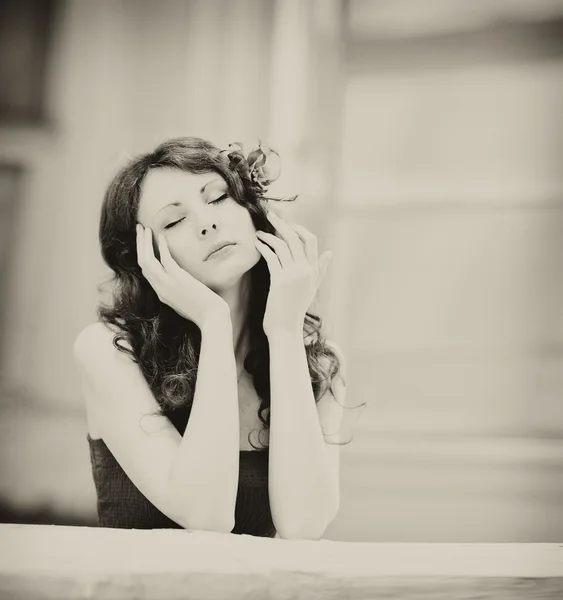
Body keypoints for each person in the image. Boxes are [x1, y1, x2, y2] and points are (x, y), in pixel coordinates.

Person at [72, 137, 352, 539]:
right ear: (144, 257)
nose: (207, 222)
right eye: (173, 221)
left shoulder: (318, 364)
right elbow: (207, 516)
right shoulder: (108, 350)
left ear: (254, 210)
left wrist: (286, 335)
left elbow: (303, 525)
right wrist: (214, 322)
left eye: (218, 198)